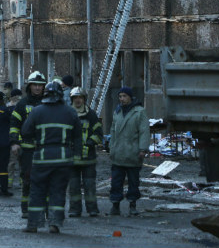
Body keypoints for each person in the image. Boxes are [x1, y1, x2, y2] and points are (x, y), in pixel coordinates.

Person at [21, 81, 81, 234]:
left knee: (37, 191)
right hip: (63, 159)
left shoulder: (37, 111)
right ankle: (55, 224)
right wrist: (77, 157)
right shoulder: (71, 112)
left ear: (45, 94)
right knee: (58, 191)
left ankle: (33, 224)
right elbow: (78, 137)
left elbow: (26, 132)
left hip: (42, 158)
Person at [10, 70, 47, 218]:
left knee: (46, 179)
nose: (38, 88)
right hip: (27, 148)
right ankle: (26, 208)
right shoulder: (22, 104)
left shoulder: (49, 102)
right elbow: (14, 124)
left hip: (46, 148)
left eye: (40, 85)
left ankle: (44, 208)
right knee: (27, 178)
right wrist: (14, 142)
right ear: (29, 86)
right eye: (35, 85)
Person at [108, 86, 150, 216]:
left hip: (133, 152)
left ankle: (132, 205)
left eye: (124, 96)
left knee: (133, 182)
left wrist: (143, 149)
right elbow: (113, 131)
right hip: (118, 153)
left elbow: (144, 131)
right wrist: (111, 147)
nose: (122, 99)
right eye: (120, 96)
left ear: (130, 97)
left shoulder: (139, 112)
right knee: (116, 182)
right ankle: (115, 205)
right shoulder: (118, 111)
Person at [68, 87, 103, 217]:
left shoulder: (91, 115)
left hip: (88, 158)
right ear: (72, 99)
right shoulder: (68, 114)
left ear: (84, 99)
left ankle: (92, 209)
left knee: (90, 185)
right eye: (75, 98)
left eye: (80, 98)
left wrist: (90, 142)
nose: (78, 100)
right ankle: (74, 210)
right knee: (74, 186)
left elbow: (99, 134)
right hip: (72, 158)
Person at [6, 88, 23, 189]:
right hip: (22, 139)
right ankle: (22, 181)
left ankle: (9, 182)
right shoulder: (24, 107)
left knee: (11, 162)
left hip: (12, 139)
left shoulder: (7, 108)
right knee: (22, 163)